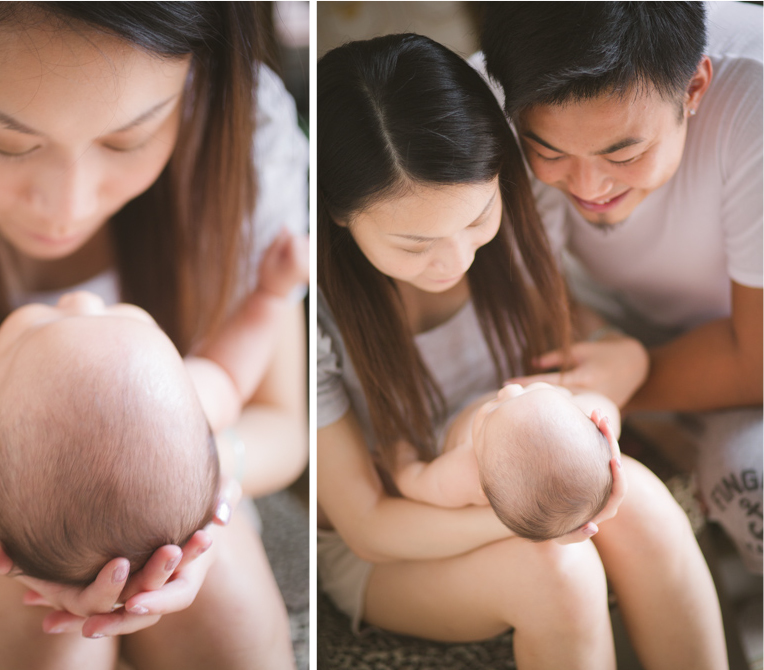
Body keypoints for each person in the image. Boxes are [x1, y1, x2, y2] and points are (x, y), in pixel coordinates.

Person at [0, 3, 307, 669]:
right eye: (6, 141)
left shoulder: (238, 136)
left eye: (129, 138)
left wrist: (183, 510)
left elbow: (275, 417)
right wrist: (19, 540)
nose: (69, 207)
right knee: (57, 646)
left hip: (166, 525)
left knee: (231, 621)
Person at [318, 33, 727, 669]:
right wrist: (532, 518)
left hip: (533, 485)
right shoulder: (317, 317)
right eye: (413, 243)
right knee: (558, 577)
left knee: (642, 504)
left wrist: (600, 409)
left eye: (477, 217)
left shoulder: (516, 230)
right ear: (340, 216)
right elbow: (370, 528)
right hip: (398, 543)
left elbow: (587, 346)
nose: (454, 260)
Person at [479, 1, 763, 573]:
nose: (588, 186)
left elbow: (756, 363)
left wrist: (629, 377)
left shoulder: (754, 93)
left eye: (624, 152)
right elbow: (530, 297)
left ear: (694, 87)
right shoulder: (486, 96)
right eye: (549, 152)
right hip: (608, 329)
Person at [0, 230, 307, 586]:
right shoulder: (184, 397)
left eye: (38, 331)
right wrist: (270, 298)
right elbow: (229, 373)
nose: (79, 301)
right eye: (116, 316)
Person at [395, 382, 618, 543]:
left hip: (439, 425)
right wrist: (607, 434)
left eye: (493, 410)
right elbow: (607, 407)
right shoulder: (564, 413)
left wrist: (400, 456)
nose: (510, 389)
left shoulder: (464, 471)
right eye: (533, 391)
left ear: (481, 487)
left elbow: (418, 481)